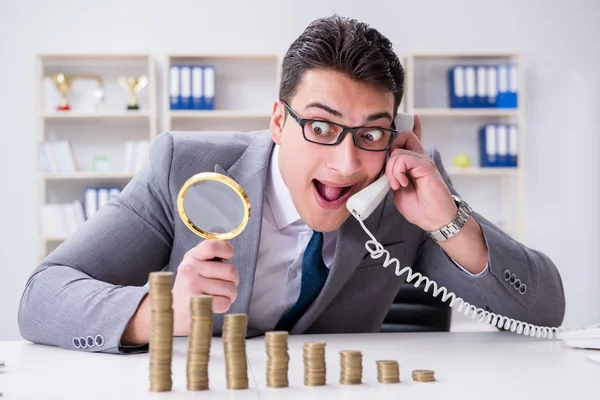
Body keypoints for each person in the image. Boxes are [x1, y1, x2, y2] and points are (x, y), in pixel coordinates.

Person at [18, 15, 566, 354]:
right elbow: (41, 298)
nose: (347, 162)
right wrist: (159, 315)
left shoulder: (406, 194)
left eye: (373, 132)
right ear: (279, 122)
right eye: (322, 127)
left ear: (398, 133)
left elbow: (546, 310)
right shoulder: (182, 166)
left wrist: (447, 223)